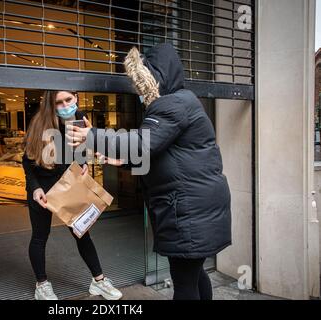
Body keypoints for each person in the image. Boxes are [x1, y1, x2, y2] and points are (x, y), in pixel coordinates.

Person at [67, 43, 232, 300]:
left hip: (189, 212)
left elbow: (143, 142)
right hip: (198, 208)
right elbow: (160, 151)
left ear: (155, 78)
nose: (138, 91)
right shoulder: (185, 101)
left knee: (185, 284)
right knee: (196, 275)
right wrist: (123, 162)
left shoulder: (172, 105)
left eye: (140, 83)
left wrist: (92, 135)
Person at [21, 90, 123, 301]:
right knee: (40, 237)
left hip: (69, 185)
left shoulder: (80, 119)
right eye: (59, 102)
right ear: (51, 104)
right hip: (44, 189)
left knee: (82, 232)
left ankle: (99, 281)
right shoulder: (40, 123)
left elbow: (80, 150)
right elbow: (27, 160)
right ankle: (42, 285)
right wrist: (34, 188)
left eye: (69, 99)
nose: (65, 105)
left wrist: (83, 163)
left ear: (76, 97)